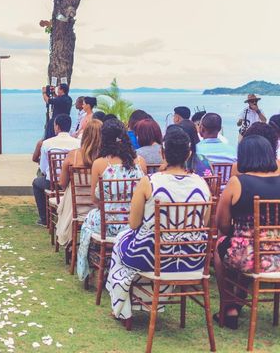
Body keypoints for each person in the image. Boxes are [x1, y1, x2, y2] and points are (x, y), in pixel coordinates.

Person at [106, 127, 212, 320]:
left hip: (151, 257)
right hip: (192, 259)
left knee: (121, 241)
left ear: (163, 153)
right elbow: (204, 223)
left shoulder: (149, 182)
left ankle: (122, 305)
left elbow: (133, 223)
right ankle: (142, 301)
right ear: (189, 153)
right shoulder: (202, 184)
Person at [214, 135, 280, 329]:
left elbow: (222, 224)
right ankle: (239, 299)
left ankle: (229, 306)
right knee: (238, 246)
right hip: (277, 256)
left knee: (221, 246)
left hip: (249, 256)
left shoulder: (237, 183)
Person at [76, 118, 146, 282]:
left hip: (108, 225)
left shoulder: (100, 164)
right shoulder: (140, 162)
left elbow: (94, 198)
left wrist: (109, 208)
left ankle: (91, 266)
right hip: (134, 224)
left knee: (88, 222)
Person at [55, 119, 102, 246]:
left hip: (76, 208)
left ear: (85, 135)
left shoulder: (73, 156)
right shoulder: (106, 160)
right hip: (98, 207)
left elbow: (63, 183)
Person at [31, 114, 81, 226]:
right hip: (72, 182)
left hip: (53, 183)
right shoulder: (78, 143)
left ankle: (44, 219)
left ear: (57, 127)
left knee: (37, 183)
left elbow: (43, 168)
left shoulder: (47, 143)